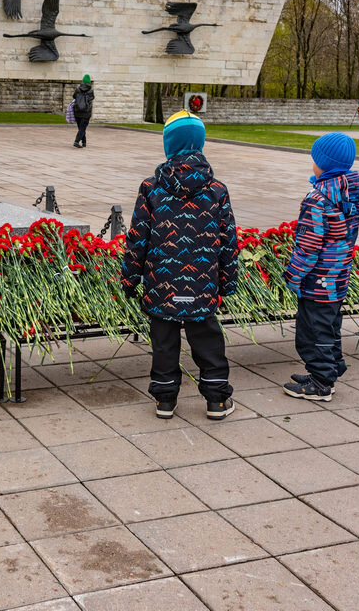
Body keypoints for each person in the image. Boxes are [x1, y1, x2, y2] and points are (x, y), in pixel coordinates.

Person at [121, 110, 238, 420]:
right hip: (202, 284)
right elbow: (228, 239)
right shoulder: (217, 190)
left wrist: (129, 280)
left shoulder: (151, 188)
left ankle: (165, 399)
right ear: (200, 144)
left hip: (161, 283)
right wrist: (227, 282)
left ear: (168, 145)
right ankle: (216, 400)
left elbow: (138, 238)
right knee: (207, 339)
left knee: (163, 342)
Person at [282, 132, 359, 403]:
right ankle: (329, 370)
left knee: (313, 331)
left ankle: (321, 383)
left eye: (314, 159)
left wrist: (293, 275)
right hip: (338, 275)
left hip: (317, 279)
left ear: (323, 164)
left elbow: (308, 245)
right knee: (329, 326)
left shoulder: (318, 199)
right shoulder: (349, 193)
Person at [72, 75, 94, 148]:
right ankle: (76, 141)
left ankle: (84, 142)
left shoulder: (78, 89)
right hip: (86, 112)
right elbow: (92, 98)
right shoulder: (91, 91)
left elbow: (74, 96)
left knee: (81, 128)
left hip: (77, 111)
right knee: (82, 128)